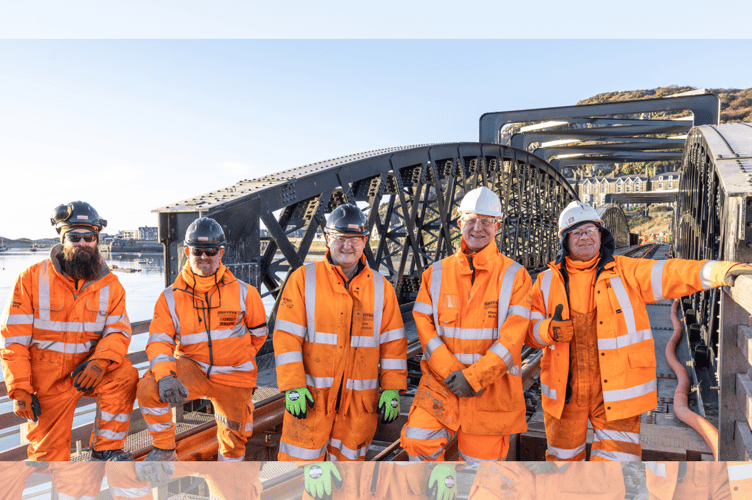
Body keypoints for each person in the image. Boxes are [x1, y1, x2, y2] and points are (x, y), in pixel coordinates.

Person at [526, 200, 752, 461]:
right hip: (565, 396)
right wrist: (548, 330)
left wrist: (719, 270)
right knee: (562, 466)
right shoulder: (545, 282)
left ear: (601, 235)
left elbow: (673, 273)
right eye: (576, 232)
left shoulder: (627, 272)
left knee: (617, 467)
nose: (584, 237)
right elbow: (529, 331)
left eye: (590, 230)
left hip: (617, 392)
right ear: (565, 240)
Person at [400, 186, 532, 463]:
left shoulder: (515, 276)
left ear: (498, 225)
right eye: (471, 220)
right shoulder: (435, 274)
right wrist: (453, 374)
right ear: (460, 224)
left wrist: (473, 379)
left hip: (491, 390)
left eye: (486, 221)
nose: (478, 228)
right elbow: (424, 328)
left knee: (481, 471)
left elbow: (512, 341)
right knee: (417, 440)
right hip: (442, 384)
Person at [0, 201, 137, 461]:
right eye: (75, 237)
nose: (83, 243)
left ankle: (106, 449)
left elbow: (118, 331)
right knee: (46, 460)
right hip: (47, 381)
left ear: (97, 239)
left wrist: (100, 361)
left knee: (125, 375)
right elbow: (13, 340)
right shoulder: (31, 278)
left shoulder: (112, 285)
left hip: (89, 371)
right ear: (63, 239)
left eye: (89, 237)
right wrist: (19, 389)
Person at [273, 203, 407, 461]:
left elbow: (393, 343)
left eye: (355, 239)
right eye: (340, 238)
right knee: (298, 474)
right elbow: (286, 337)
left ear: (365, 241)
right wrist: (293, 385)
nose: (348, 246)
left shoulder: (382, 288)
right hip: (311, 402)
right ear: (327, 239)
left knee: (348, 480)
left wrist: (392, 388)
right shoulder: (303, 279)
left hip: (357, 408)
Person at [137, 217, 268, 461]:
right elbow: (159, 341)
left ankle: (228, 484)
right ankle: (165, 449)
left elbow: (259, 335)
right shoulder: (169, 298)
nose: (204, 257)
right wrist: (165, 375)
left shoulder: (245, 293)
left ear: (221, 253)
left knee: (234, 441)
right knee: (148, 389)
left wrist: (238, 357)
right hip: (192, 368)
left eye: (211, 251)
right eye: (198, 251)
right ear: (187, 252)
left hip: (234, 374)